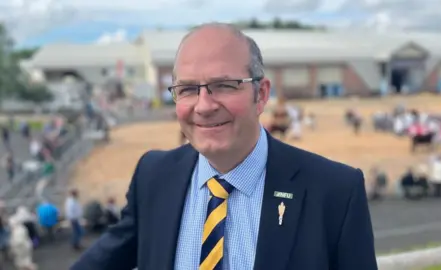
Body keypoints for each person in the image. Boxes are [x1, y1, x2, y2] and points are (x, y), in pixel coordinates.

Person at [72, 23, 377, 270]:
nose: (204, 106)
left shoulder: (335, 191)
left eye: (224, 85)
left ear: (261, 94)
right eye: (188, 89)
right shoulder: (153, 176)